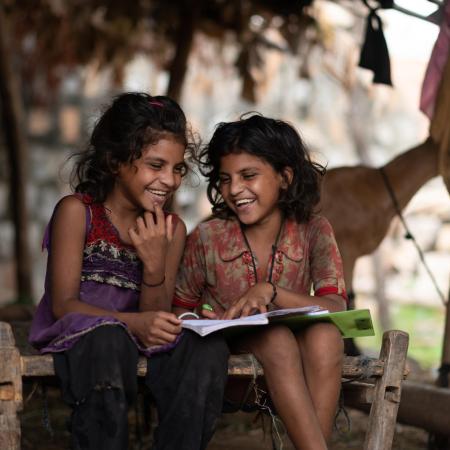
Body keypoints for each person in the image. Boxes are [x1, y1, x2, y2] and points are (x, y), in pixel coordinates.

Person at [29, 92, 229, 450]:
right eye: (156, 165)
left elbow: (155, 317)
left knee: (207, 348)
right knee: (109, 338)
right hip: (87, 336)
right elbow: (63, 305)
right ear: (115, 161)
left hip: (141, 337)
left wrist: (153, 265)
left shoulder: (172, 229)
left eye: (177, 168)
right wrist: (130, 323)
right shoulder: (77, 213)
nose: (168, 180)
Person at [173, 114, 347, 449]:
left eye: (248, 175)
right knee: (277, 338)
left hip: (300, 365)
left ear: (285, 176)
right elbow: (178, 309)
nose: (235, 189)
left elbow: (336, 306)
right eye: (225, 179)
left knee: (326, 334)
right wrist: (201, 319)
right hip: (231, 370)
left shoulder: (314, 230)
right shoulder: (208, 237)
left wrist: (271, 292)